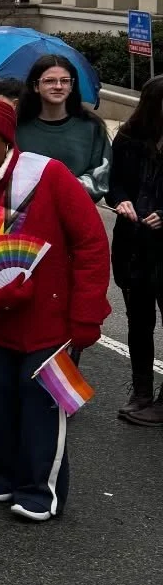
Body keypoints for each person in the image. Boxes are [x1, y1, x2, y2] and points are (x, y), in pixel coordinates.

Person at [0, 94, 110, 520]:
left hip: (52, 320)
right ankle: (6, 476)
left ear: (7, 138)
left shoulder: (48, 175)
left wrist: (88, 314)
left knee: (42, 402)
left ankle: (41, 490)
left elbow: (91, 244)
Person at [105, 74, 163, 424]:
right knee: (139, 321)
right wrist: (121, 201)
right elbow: (115, 183)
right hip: (133, 244)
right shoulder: (128, 138)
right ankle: (141, 389)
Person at [16, 55, 112, 199]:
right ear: (36, 86)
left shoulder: (92, 128)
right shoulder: (17, 125)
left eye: (65, 81)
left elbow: (99, 179)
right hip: (22, 213)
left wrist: (61, 187)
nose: (58, 86)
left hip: (75, 211)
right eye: (49, 81)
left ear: (72, 86)